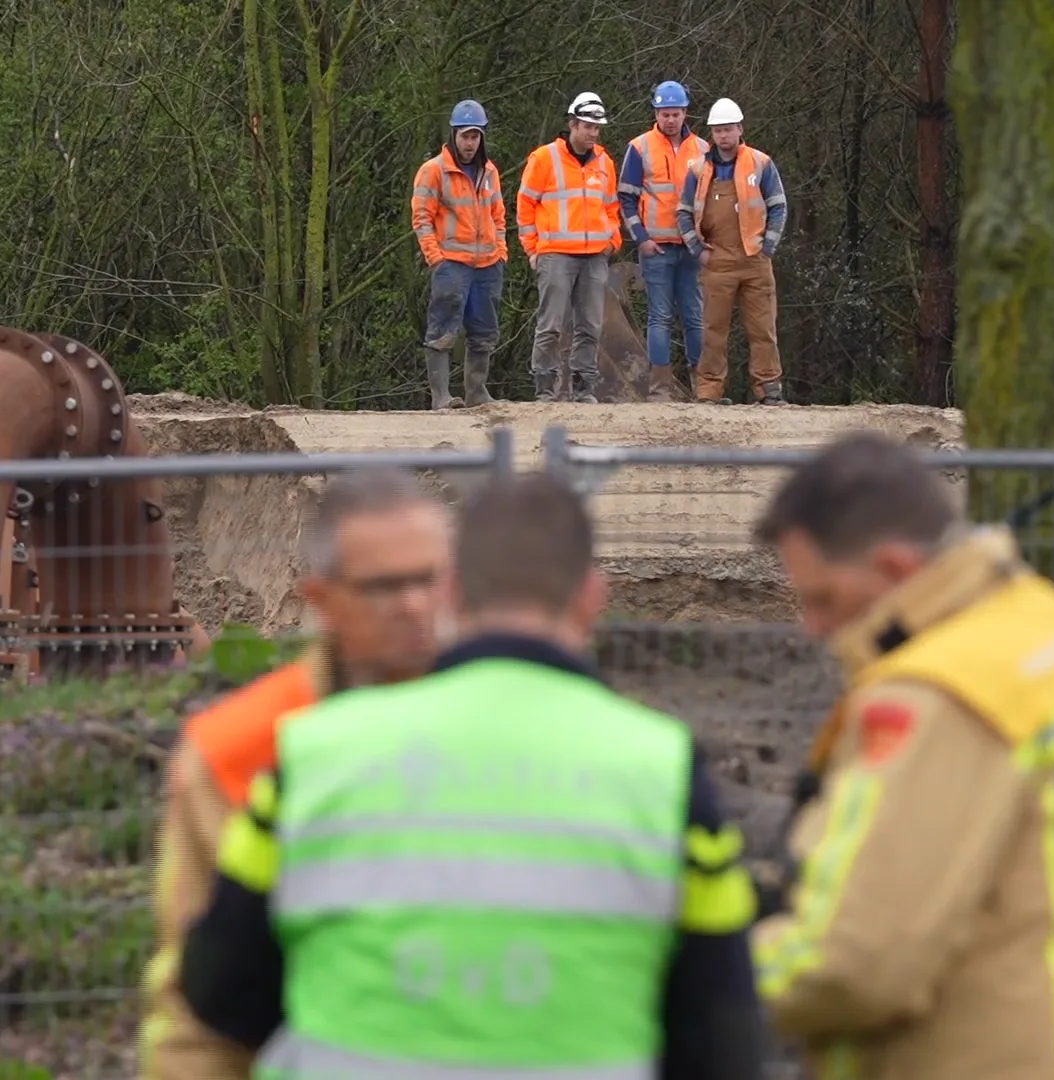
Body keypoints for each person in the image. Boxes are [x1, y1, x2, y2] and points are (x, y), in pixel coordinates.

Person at [178, 472, 767, 1079]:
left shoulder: (314, 754)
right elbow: (724, 1043)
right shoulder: (664, 770)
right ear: (593, 596)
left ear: (452, 593)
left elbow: (220, 991)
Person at [748, 431, 1054, 1080]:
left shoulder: (941, 694)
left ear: (895, 569)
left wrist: (705, 975)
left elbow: (859, 963)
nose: (811, 629)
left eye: (822, 599)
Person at [139, 468, 453, 1080]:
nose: (414, 606)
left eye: (428, 580)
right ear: (322, 599)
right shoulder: (238, 750)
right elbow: (200, 1011)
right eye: (384, 587)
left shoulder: (517, 727)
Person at [676, 97, 789, 406]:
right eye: (718, 130)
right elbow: (683, 212)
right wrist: (697, 249)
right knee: (713, 330)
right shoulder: (699, 169)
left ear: (740, 129)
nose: (723, 135)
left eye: (728, 129)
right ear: (712, 134)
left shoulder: (760, 163)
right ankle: (708, 392)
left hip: (755, 259)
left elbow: (778, 206)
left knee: (763, 328)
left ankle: (769, 389)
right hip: (717, 261)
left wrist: (768, 246)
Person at [518, 92, 622, 404]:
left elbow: (611, 206)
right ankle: (545, 388)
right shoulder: (544, 159)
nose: (593, 133)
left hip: (594, 256)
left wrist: (612, 241)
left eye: (597, 128)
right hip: (556, 254)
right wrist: (532, 249)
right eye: (588, 126)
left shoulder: (604, 162)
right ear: (572, 124)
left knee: (590, 326)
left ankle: (583, 388)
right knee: (550, 325)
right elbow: (525, 204)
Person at [412, 99, 508, 409]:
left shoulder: (489, 171)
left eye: (475, 136)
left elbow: (498, 215)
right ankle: (441, 396)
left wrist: (501, 251)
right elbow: (421, 219)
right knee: (442, 329)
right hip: (451, 263)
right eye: (465, 135)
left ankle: (476, 391)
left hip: (488, 264)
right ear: (453, 134)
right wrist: (435, 258)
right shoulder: (433, 171)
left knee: (484, 331)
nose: (470, 143)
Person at [619, 80, 709, 402]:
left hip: (692, 248)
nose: (670, 120)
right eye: (664, 114)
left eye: (675, 113)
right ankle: (659, 389)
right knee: (659, 318)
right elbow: (626, 198)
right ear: (656, 113)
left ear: (685, 113)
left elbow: (711, 199)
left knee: (695, 316)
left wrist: (705, 242)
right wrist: (641, 238)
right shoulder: (640, 147)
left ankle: (704, 387)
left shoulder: (702, 149)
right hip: (656, 247)